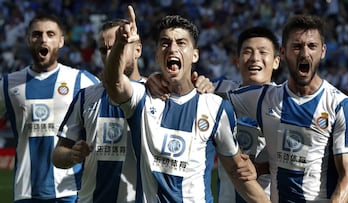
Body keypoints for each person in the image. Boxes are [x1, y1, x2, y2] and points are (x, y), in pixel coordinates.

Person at [102, 5, 270, 202]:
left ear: (195, 55)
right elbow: (113, 82)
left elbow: (236, 171)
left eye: (181, 43)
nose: (172, 48)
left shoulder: (215, 106)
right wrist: (121, 45)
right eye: (165, 43)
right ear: (157, 55)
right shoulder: (142, 97)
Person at [226, 15, 348, 202]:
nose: (305, 54)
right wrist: (188, 85)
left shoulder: (341, 107)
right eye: (297, 46)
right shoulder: (264, 98)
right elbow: (211, 99)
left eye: (312, 46)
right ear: (283, 52)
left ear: (322, 51)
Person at [0, 13, 99, 202]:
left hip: (70, 191)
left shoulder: (82, 80)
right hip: (26, 192)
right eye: (37, 34)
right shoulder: (8, 85)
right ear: (29, 39)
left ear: (61, 41)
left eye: (50, 34)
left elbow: (114, 104)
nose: (43, 39)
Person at [51, 19, 145, 203]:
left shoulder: (156, 94)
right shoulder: (87, 96)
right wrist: (72, 155)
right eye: (104, 49)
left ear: (138, 50)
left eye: (119, 45)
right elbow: (58, 155)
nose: (110, 54)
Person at [213, 26, 280, 203]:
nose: (255, 58)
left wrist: (260, 168)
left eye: (262, 52)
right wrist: (200, 83)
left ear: (276, 61)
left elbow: (301, 157)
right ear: (237, 60)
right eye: (247, 52)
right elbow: (185, 86)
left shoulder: (282, 102)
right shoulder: (221, 90)